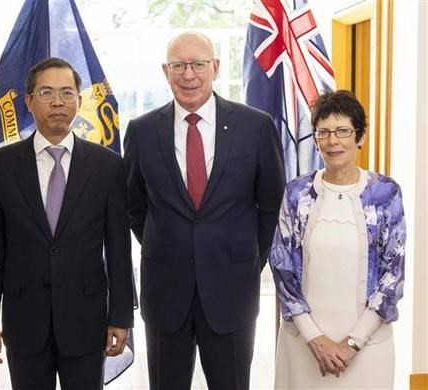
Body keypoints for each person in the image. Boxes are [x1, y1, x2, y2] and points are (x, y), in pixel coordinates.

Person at [123, 31, 286, 390]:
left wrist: (247, 260)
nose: (189, 75)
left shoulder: (255, 126)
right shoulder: (141, 131)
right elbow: (135, 207)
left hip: (232, 290)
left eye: (198, 64)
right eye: (179, 65)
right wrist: (169, 245)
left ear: (214, 67)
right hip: (165, 290)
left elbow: (271, 207)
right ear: (166, 71)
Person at [0, 57, 134, 390]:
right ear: (29, 101)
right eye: (46, 92)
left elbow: (118, 248)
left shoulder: (107, 166)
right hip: (24, 318)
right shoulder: (1, 166)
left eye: (67, 92)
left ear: (79, 99)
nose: (58, 102)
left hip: (86, 319)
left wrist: (121, 317)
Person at [270, 90, 406, 389]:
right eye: (324, 132)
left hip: (368, 348)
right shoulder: (297, 193)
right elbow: (282, 269)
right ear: (316, 139)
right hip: (303, 345)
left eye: (343, 131)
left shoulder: (385, 194)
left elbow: (392, 276)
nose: (333, 141)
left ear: (360, 136)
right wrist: (315, 339)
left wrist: (351, 344)